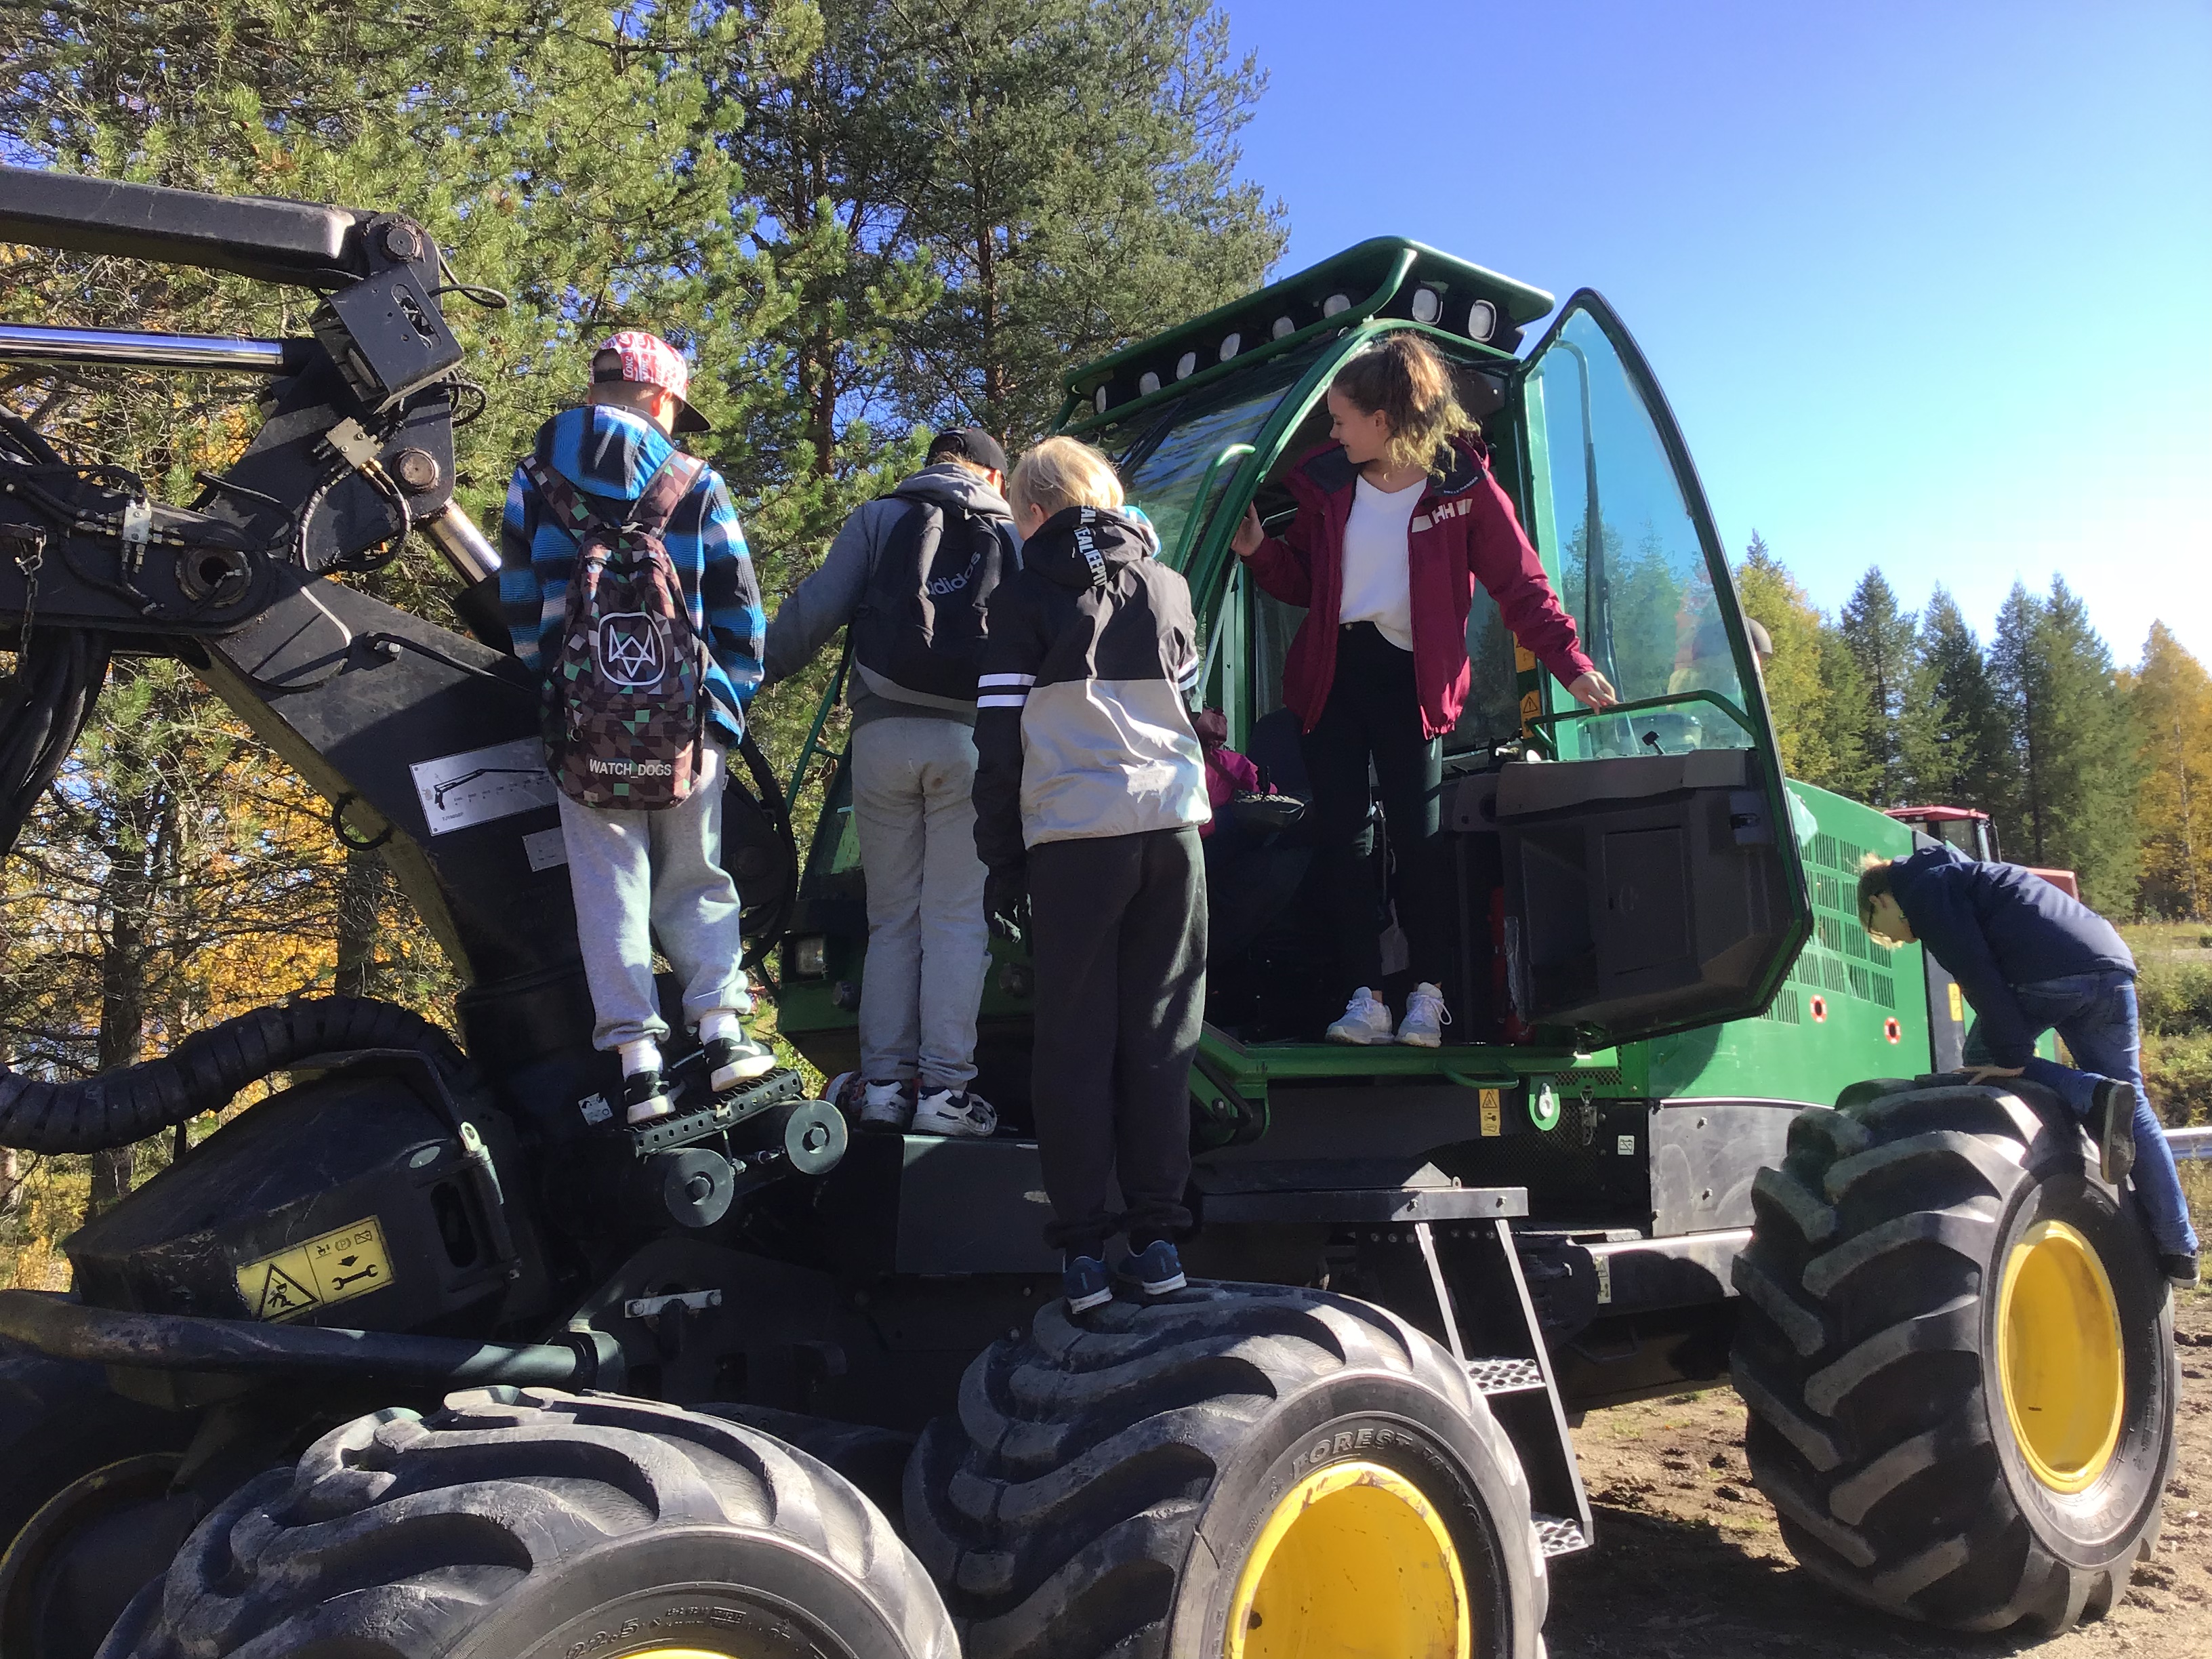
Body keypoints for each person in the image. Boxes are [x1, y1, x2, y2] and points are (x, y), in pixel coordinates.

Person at [1231, 333, 1616, 1046]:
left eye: (1342, 420)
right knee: (1344, 839)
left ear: (1383, 420)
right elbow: (1307, 583)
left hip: (1411, 682)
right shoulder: (1328, 484)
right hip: (1333, 677)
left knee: (1421, 839)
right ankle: (1366, 998)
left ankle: (1427, 997)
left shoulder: (1463, 487)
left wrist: (1571, 663)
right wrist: (1259, 552)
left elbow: (1521, 585)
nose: (1333, 433)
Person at [501, 329, 774, 1124]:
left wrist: (564, 690)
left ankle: (638, 1066)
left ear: (596, 390)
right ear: (661, 398)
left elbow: (520, 608)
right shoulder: (696, 480)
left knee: (608, 889)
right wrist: (724, 704)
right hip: (685, 721)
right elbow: (741, 609)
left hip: (584, 726)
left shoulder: (534, 478)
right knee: (697, 874)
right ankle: (722, 1036)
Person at [972, 436, 1210, 1313]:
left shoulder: (1021, 597)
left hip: (1075, 839)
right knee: (1162, 1039)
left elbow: (999, 742)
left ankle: (1081, 1256)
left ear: (1034, 512)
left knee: (1074, 1046)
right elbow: (1192, 707)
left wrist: (1002, 858)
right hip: (1171, 832)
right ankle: (1158, 1244)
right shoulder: (1168, 586)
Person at [763, 428, 1019, 1139]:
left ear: (932, 465)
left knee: (893, 918)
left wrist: (748, 676)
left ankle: (881, 1088)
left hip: (881, 737)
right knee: (957, 919)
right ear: (995, 478)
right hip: (972, 740)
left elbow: (813, 612)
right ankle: (944, 1091)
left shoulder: (880, 517)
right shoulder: (1012, 530)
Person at [1859, 846, 2199, 1286]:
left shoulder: (1925, 893)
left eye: (1879, 929)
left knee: (1983, 1060)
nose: (1897, 940)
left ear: (1881, 900)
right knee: (2133, 1106)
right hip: (2110, 964)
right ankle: (2180, 1249)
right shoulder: (1966, 875)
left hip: (2051, 972)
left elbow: (1977, 973)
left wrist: (2012, 1056)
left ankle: (2091, 1092)